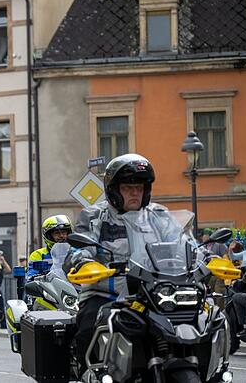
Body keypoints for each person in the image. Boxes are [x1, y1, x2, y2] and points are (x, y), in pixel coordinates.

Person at [64, 153, 172, 368]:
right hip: (107, 294)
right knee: (87, 328)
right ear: (114, 190)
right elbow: (77, 250)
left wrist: (206, 259)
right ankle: (91, 372)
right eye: (127, 188)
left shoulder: (159, 215)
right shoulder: (95, 216)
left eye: (139, 188)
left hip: (152, 294)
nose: (135, 193)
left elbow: (181, 242)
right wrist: (84, 262)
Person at [28, 215, 73, 279]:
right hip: (48, 288)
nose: (61, 236)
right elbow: (31, 276)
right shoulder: (38, 255)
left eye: (63, 232)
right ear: (49, 236)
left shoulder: (75, 252)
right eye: (57, 233)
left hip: (74, 287)